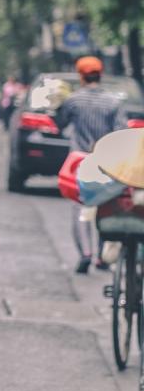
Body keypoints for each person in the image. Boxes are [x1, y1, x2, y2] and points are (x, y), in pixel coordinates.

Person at [57, 56, 126, 273]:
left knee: (81, 206)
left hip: (79, 162)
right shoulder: (113, 102)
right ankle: (103, 257)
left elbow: (60, 123)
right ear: (100, 74)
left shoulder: (74, 100)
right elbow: (121, 131)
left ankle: (85, 253)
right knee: (106, 207)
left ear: (81, 76)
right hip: (107, 162)